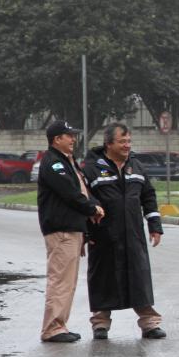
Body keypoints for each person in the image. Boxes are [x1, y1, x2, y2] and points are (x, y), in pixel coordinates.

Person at [82, 122, 166, 340]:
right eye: (122, 141)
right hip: (103, 237)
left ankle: (149, 323)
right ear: (109, 143)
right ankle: (100, 324)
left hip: (133, 235)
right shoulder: (91, 168)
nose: (127, 145)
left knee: (139, 278)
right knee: (103, 279)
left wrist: (155, 227)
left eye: (129, 141)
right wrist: (86, 234)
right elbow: (83, 201)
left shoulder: (136, 166)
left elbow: (148, 197)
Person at [37, 120, 104, 343]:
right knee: (61, 280)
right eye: (69, 136)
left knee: (68, 281)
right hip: (61, 229)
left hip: (72, 228)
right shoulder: (53, 163)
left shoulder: (68, 162)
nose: (73, 139)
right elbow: (70, 193)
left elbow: (83, 189)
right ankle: (52, 328)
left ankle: (59, 325)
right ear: (57, 139)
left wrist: (93, 206)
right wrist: (91, 208)